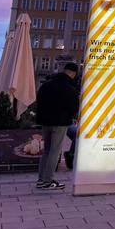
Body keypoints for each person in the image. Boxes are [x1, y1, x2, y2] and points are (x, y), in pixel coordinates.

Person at [35, 62, 80, 191]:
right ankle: (48, 181)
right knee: (54, 151)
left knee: (47, 150)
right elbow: (74, 107)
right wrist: (72, 116)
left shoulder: (47, 84)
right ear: (73, 73)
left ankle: (41, 179)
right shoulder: (70, 87)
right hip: (60, 122)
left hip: (45, 121)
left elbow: (39, 100)